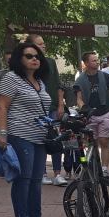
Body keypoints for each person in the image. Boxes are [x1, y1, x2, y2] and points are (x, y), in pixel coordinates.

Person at [0, 42, 55, 217]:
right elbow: (2, 106)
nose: (35, 59)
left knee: (37, 178)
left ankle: (35, 216)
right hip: (19, 134)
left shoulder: (39, 81)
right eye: (29, 56)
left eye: (37, 56)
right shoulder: (11, 78)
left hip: (39, 136)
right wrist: (2, 133)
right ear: (18, 59)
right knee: (24, 177)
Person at [27, 35, 68, 185]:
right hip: (37, 109)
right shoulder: (28, 65)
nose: (43, 46)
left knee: (56, 140)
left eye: (44, 43)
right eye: (40, 44)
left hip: (51, 108)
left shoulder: (50, 62)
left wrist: (60, 105)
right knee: (40, 140)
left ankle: (57, 173)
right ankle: (42, 173)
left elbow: (58, 84)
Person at [74, 51, 109, 177]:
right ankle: (92, 166)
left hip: (104, 113)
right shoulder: (80, 80)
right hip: (90, 115)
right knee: (90, 143)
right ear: (86, 63)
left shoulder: (105, 77)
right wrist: (84, 109)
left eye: (97, 60)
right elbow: (79, 98)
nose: (97, 62)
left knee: (104, 141)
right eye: (93, 60)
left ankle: (104, 169)